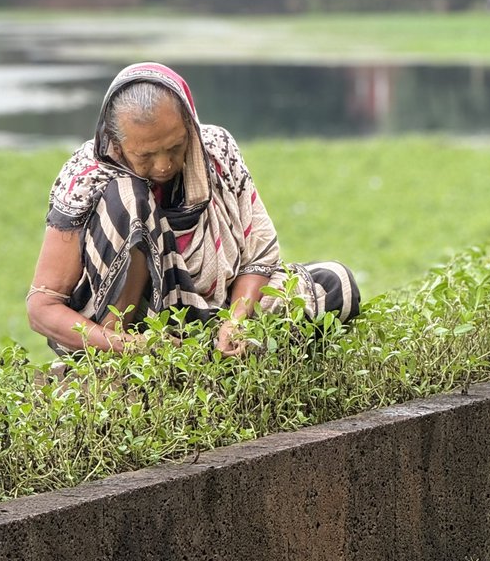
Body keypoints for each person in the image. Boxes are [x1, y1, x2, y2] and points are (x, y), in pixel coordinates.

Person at [27, 62, 360, 358]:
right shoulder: (87, 178)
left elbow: (258, 256)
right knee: (129, 196)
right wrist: (133, 347)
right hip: (132, 330)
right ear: (116, 142)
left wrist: (236, 320)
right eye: (145, 155)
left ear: (190, 124)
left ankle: (212, 348)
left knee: (335, 283)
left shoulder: (216, 150)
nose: (163, 165)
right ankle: (122, 362)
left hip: (213, 310)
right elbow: (42, 307)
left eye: (175, 146)